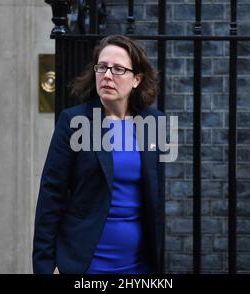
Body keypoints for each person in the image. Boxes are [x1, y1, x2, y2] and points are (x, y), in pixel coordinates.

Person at [32, 35, 165, 274]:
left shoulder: (153, 123)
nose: (107, 75)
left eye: (118, 69)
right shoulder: (74, 121)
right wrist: (45, 265)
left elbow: (155, 197)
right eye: (102, 67)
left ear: (137, 79)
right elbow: (51, 195)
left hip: (139, 267)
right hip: (85, 266)